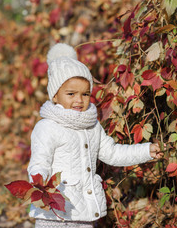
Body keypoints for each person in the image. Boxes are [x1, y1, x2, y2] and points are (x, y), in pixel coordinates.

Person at [27, 43, 164, 228]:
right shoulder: (47, 127)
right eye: (71, 93)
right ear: (55, 96)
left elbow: (112, 153)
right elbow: (39, 163)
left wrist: (146, 151)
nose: (79, 100)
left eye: (85, 94)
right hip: (53, 213)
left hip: (83, 212)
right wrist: (39, 184)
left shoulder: (92, 125)